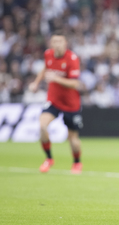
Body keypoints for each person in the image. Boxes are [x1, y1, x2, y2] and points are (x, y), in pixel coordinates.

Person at [29, 30, 83, 174]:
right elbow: (45, 68)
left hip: (71, 104)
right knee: (42, 126)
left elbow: (75, 84)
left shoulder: (72, 58)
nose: (57, 44)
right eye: (54, 41)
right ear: (51, 43)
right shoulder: (48, 54)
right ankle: (49, 159)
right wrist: (36, 82)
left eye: (60, 41)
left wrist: (55, 78)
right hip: (53, 100)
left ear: (65, 43)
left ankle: (77, 163)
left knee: (73, 138)